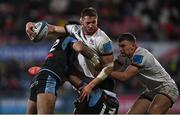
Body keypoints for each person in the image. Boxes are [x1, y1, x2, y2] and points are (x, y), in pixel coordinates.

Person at [26, 7, 117, 112]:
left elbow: (109, 67)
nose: (91, 25)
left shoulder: (103, 40)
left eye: (94, 22)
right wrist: (30, 24)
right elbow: (78, 46)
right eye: (88, 22)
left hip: (42, 77)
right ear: (81, 22)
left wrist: (85, 86)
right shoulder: (72, 35)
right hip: (50, 79)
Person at [85, 32, 179, 114]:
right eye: (119, 46)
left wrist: (105, 71)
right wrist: (100, 66)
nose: (121, 49)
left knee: (152, 113)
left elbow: (124, 76)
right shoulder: (126, 56)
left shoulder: (140, 55)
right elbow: (112, 68)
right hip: (152, 90)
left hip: (166, 87)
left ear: (133, 46)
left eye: (123, 46)